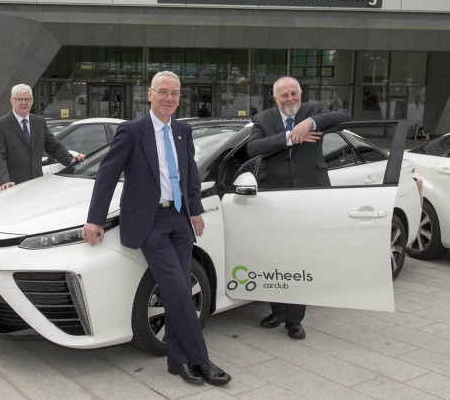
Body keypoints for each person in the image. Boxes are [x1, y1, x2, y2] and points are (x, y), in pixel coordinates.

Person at [81, 71, 231, 387]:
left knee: (177, 291)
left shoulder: (183, 131)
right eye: (163, 92)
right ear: (150, 95)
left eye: (174, 93)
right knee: (178, 289)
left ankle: (178, 362)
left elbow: (190, 173)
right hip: (150, 223)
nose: (169, 98)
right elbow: (107, 175)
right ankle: (201, 359)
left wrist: (195, 209)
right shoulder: (132, 131)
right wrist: (94, 218)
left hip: (179, 217)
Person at [246, 76, 351, 340]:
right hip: (274, 199)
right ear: (275, 98)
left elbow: (344, 115)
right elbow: (253, 148)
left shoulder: (313, 111)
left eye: (294, 93)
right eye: (284, 95)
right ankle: (278, 311)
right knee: (274, 256)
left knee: (300, 257)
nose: (290, 98)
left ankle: (295, 319)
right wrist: (291, 137)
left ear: (300, 94)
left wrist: (308, 124)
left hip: (309, 197)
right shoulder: (263, 119)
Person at [0, 83, 85, 192]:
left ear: (32, 101)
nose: (24, 103)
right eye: (19, 99)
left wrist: (71, 159)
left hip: (36, 185)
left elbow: (54, 147)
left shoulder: (39, 122)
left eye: (27, 99)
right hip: (11, 186)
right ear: (12, 101)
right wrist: (4, 181)